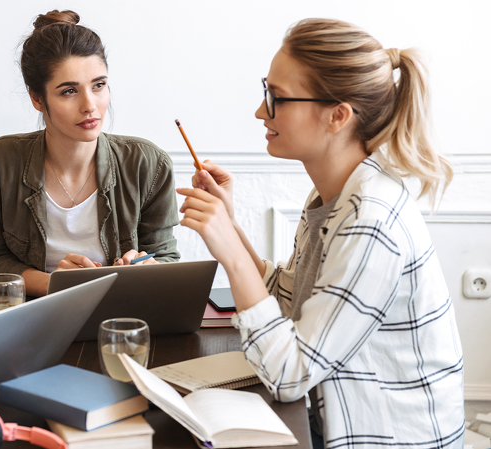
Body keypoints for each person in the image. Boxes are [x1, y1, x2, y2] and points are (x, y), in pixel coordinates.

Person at [177, 19, 464, 448]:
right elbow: (292, 302)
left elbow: (289, 374)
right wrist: (231, 227)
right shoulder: (335, 193)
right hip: (331, 416)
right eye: (264, 91)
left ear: (338, 116)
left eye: (277, 98)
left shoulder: (372, 219)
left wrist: (232, 255)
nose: (260, 111)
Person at [0, 10, 181, 297]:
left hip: (123, 316)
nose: (90, 105)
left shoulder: (149, 164)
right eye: (69, 91)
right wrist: (57, 284)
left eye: (99, 85)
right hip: (35, 315)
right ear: (37, 98)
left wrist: (144, 269)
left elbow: (166, 258)